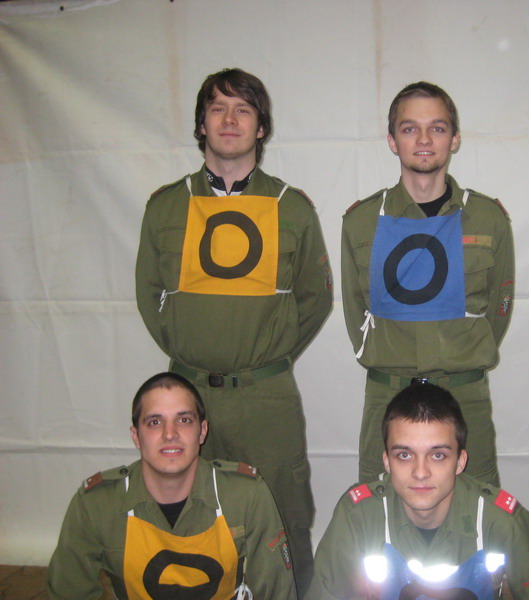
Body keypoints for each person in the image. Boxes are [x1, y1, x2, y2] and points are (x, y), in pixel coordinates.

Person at [135, 67, 332, 594]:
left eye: (243, 109)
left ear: (260, 127)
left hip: (266, 399)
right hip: (187, 394)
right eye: (217, 108)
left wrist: (268, 352)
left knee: (282, 517)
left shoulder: (291, 207)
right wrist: (193, 348)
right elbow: (149, 295)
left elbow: (315, 298)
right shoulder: (167, 206)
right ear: (201, 123)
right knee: (189, 516)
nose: (229, 119)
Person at [342, 81, 514, 487]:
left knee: (477, 506)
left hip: (464, 396)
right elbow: (355, 309)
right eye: (409, 128)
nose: (423, 140)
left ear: (454, 139)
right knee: (381, 507)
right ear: (392, 140)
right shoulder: (362, 221)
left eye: (436, 128)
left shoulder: (487, 218)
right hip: (388, 396)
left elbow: (498, 307)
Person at [47, 372, 296, 600]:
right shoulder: (96, 504)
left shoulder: (245, 495)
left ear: (202, 431)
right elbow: (68, 593)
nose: (170, 433)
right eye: (155, 422)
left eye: (184, 420)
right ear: (136, 436)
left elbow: (276, 592)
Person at [307, 383, 529, 600]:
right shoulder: (358, 516)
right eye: (404, 455)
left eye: (437, 455)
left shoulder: (503, 522)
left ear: (460, 461)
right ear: (386, 461)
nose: (420, 472)